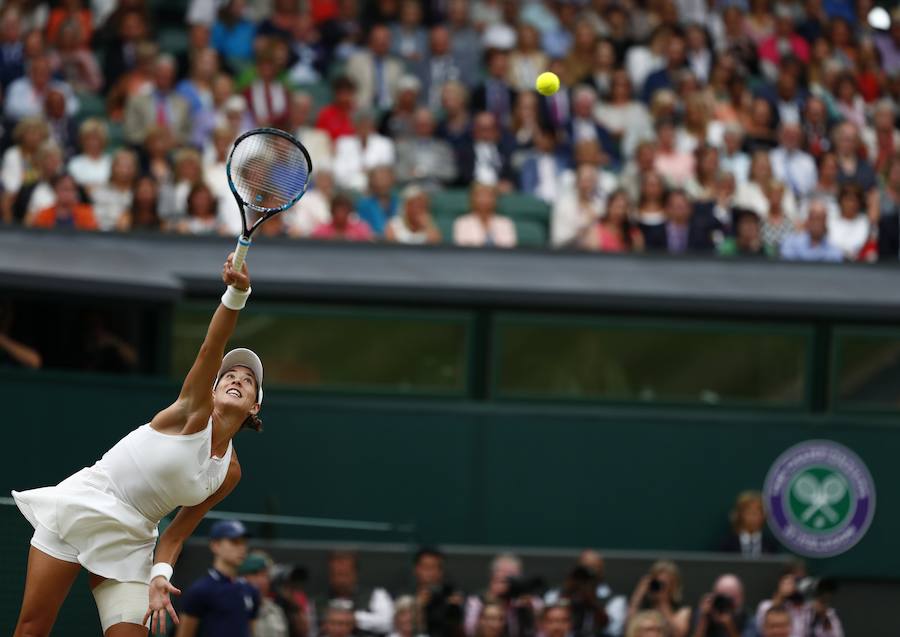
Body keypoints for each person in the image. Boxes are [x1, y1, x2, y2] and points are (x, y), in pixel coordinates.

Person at [11, 247, 264, 635]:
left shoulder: (229, 472)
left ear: (253, 409)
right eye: (229, 376)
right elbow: (211, 349)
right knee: (33, 628)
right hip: (84, 505)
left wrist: (161, 574)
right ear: (211, 392)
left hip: (134, 540)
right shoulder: (191, 413)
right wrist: (236, 296)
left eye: (247, 381)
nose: (235, 379)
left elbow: (177, 532)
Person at [177, 519, 261, 637]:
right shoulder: (200, 590)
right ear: (215, 545)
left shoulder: (251, 590)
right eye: (235, 542)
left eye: (244, 542)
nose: (242, 548)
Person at [318, 550, 394, 637]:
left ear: (355, 574)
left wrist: (355, 618)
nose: (340, 580)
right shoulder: (317, 602)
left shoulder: (376, 595)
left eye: (344, 574)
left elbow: (389, 622)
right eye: (335, 574)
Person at [627, 561, 691, 637]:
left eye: (664, 584)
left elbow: (678, 634)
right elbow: (629, 628)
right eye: (657, 583)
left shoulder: (681, 610)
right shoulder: (643, 606)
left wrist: (663, 602)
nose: (659, 587)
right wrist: (639, 594)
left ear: (673, 586)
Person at [411, 547, 465, 637]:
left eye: (434, 567)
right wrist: (418, 607)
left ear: (441, 572)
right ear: (416, 569)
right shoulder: (406, 595)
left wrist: (456, 610)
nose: (430, 573)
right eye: (426, 567)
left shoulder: (450, 593)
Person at [691, 574, 759, 637]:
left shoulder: (748, 618)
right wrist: (703, 619)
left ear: (740, 597)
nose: (725, 603)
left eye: (730, 598)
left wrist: (730, 625)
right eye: (721, 597)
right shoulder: (705, 613)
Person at [241, 553, 290, 637]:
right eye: (255, 575)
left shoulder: (275, 610)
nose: (261, 581)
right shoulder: (235, 608)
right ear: (243, 578)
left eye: (265, 575)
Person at [453, 182, 516, 248]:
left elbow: (509, 248)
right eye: (480, 196)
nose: (484, 200)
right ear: (472, 199)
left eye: (489, 196)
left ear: (495, 200)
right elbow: (463, 250)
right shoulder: (462, 223)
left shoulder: (506, 223)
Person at [27, 172, 97, 230]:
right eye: (64, 189)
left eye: (71, 189)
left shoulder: (86, 214)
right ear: (55, 190)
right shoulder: (44, 215)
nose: (68, 194)